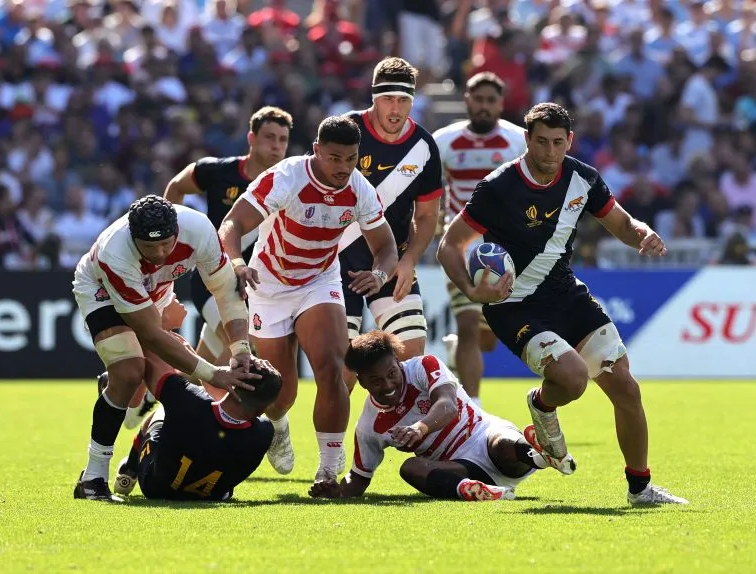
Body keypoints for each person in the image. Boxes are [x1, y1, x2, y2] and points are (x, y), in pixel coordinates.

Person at [437, 102, 688, 506]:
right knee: (572, 379)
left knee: (625, 386)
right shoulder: (498, 187)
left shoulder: (583, 179)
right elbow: (451, 243)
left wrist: (643, 233)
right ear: (526, 139)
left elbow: (622, 223)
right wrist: (471, 290)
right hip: (514, 305)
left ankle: (640, 489)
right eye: (541, 142)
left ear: (569, 141)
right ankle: (542, 404)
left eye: (558, 143)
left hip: (566, 295)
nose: (549, 152)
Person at [218, 115, 397, 491]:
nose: (343, 168)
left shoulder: (360, 189)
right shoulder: (285, 178)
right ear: (316, 151)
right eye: (334, 158)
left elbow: (386, 247)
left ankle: (329, 470)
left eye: (350, 159)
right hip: (268, 286)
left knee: (333, 367)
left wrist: (378, 275)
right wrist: (236, 263)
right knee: (280, 394)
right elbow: (231, 225)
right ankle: (278, 425)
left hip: (319, 281)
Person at [72, 195, 258, 501]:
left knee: (158, 376)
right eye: (149, 247)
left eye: (166, 244)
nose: (160, 253)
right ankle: (92, 478)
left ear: (177, 232)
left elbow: (227, 291)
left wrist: (240, 350)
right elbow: (151, 334)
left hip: (153, 291)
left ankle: (122, 396)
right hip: (101, 291)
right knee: (130, 369)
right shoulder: (115, 253)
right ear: (134, 239)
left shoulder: (198, 230)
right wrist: (213, 373)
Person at [310, 331, 573, 502]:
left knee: (503, 444)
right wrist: (338, 491)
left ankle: (538, 455)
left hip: (484, 435)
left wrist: (420, 428)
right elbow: (359, 479)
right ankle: (474, 491)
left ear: (398, 361)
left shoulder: (425, 366)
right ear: (362, 383)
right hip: (459, 467)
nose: (388, 385)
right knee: (410, 468)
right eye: (376, 381)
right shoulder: (370, 426)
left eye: (391, 373)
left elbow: (448, 406)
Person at [164, 106, 292, 369]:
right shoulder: (218, 171)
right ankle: (237, 412)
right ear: (252, 139)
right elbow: (176, 186)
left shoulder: (290, 184)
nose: (277, 146)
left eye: (283, 139)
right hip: (213, 280)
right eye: (269, 137)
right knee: (243, 348)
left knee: (199, 369)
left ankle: (152, 401)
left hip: (255, 287)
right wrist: (171, 242)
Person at [339, 57, 443, 362]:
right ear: (374, 98)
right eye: (387, 99)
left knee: (412, 358)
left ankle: (385, 412)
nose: (395, 109)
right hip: (335, 263)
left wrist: (409, 260)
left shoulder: (424, 146)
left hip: (390, 261)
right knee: (340, 370)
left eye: (403, 100)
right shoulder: (346, 131)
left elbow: (426, 215)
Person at [432, 71, 526, 406]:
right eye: (478, 99)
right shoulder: (443, 141)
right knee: (469, 323)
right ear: (467, 101)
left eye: (491, 100)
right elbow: (429, 193)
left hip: (505, 249)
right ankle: (473, 407)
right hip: (461, 248)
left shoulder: (519, 141)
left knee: (486, 340)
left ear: (501, 104)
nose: (484, 107)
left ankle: (456, 351)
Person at [113, 352, 282, 501]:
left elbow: (152, 356)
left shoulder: (188, 399)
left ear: (232, 383)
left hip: (154, 487)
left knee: (163, 410)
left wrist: (196, 360)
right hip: (211, 496)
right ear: (261, 410)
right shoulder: (265, 432)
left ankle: (130, 468)